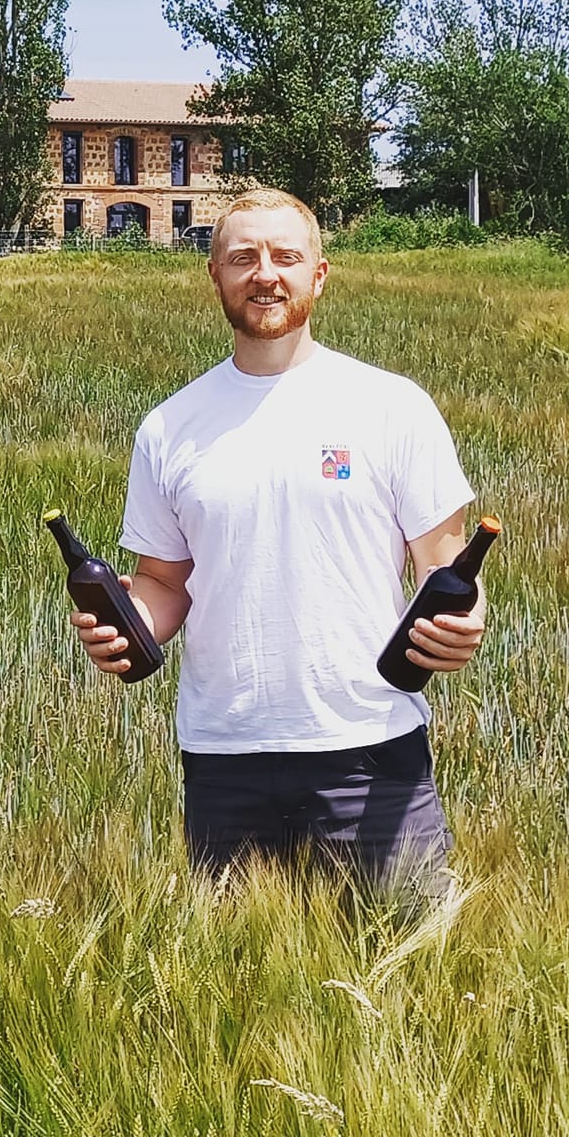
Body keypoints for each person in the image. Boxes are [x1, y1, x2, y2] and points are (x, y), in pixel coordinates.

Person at [71, 186, 487, 891]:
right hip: (225, 756)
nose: (265, 273)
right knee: (235, 986)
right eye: (243, 258)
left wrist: (466, 623)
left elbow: (446, 566)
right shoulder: (170, 428)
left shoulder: (392, 407)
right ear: (216, 276)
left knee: (410, 974)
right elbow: (164, 583)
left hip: (371, 748)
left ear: (317, 276)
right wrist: (127, 625)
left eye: (286, 257)